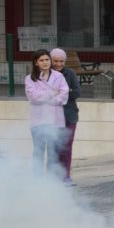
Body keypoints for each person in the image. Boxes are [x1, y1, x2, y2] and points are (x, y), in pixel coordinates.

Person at [24, 48, 69, 178]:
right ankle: (37, 179)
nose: (45, 62)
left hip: (55, 120)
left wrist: (52, 100)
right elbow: (33, 97)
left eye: (47, 59)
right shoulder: (30, 79)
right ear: (36, 62)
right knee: (38, 152)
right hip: (38, 120)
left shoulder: (59, 76)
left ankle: (50, 180)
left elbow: (64, 94)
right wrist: (52, 93)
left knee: (53, 153)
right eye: (41, 60)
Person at [49, 48, 80, 186]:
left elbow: (77, 93)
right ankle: (54, 176)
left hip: (69, 114)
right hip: (51, 116)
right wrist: (65, 92)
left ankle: (66, 175)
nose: (59, 64)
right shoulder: (46, 74)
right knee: (54, 146)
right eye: (55, 61)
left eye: (61, 61)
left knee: (67, 146)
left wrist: (60, 93)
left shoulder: (70, 73)